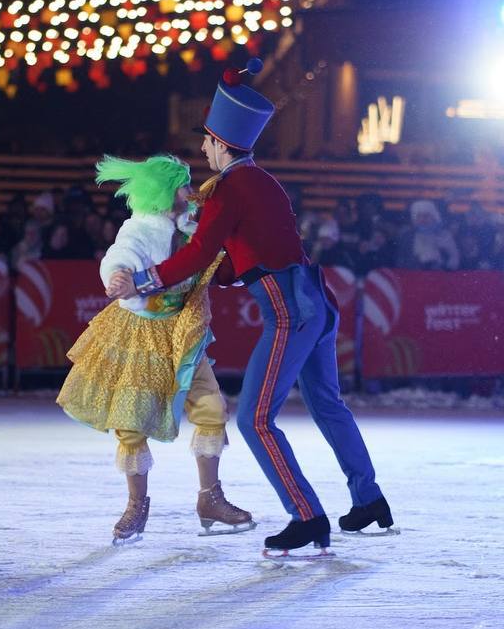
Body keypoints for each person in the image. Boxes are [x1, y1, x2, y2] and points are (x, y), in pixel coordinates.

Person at [107, 63, 395, 556]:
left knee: (255, 421)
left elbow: (201, 253)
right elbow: (248, 256)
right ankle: (369, 500)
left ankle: (306, 516)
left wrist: (145, 279)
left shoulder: (228, 190)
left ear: (222, 144)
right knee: (328, 405)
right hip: (316, 301)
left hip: (290, 310)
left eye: (206, 142)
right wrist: (211, 274)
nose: (202, 150)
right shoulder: (263, 182)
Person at [57, 155, 252, 544]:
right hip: (142, 334)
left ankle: (210, 498)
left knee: (212, 409)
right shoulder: (140, 230)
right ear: (165, 192)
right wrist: (118, 275)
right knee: (131, 424)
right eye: (182, 185)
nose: (188, 190)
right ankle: (136, 505)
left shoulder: (190, 224)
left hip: (184, 333)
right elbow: (120, 255)